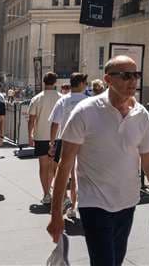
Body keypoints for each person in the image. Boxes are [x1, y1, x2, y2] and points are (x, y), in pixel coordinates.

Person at [47, 56, 149, 266]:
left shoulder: (141, 115)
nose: (133, 81)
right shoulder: (84, 112)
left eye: (136, 75)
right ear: (108, 79)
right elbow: (65, 164)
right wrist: (56, 214)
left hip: (127, 203)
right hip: (94, 204)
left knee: (115, 261)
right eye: (126, 76)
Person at [48, 72, 90, 218]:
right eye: (85, 83)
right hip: (85, 142)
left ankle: (63, 202)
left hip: (66, 140)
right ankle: (74, 205)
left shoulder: (63, 101)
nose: (86, 86)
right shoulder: (88, 101)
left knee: (63, 172)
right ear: (80, 84)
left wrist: (52, 142)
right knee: (76, 176)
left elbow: (55, 123)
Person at [28, 72, 62, 205]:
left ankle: (46, 193)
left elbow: (31, 119)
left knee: (43, 166)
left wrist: (30, 135)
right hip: (58, 136)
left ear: (44, 82)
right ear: (55, 83)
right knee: (54, 167)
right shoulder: (61, 98)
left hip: (41, 136)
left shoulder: (37, 98)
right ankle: (54, 191)